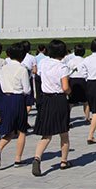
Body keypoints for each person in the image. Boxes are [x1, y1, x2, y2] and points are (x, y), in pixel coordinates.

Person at [32, 39, 72, 176]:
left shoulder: (43, 63)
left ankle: (37, 157)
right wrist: (70, 92)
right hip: (59, 99)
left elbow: (38, 75)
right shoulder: (62, 66)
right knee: (64, 132)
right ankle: (64, 161)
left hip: (46, 99)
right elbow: (65, 87)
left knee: (46, 134)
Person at [0, 42, 30, 168]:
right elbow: (27, 89)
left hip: (5, 98)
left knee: (10, 129)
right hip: (17, 99)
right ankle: (18, 159)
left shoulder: (3, 68)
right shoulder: (22, 69)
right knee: (21, 130)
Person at [67, 44, 89, 122]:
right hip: (83, 81)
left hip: (73, 81)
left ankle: (67, 118)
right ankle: (87, 117)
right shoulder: (85, 60)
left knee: (71, 102)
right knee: (85, 101)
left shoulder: (70, 61)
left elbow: (67, 72)